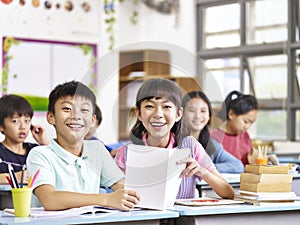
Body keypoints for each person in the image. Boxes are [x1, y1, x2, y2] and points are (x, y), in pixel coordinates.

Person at [26, 80, 139, 211]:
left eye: (84, 110)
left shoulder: (97, 149)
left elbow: (121, 186)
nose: (76, 116)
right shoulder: (40, 154)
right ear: (51, 117)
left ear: (92, 120)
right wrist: (106, 199)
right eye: (67, 109)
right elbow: (50, 200)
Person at [115, 78, 234, 199]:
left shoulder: (191, 146)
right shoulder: (126, 153)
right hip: (143, 217)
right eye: (150, 106)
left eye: (166, 107)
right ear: (139, 113)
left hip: (185, 218)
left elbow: (229, 193)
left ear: (178, 114)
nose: (158, 114)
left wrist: (202, 171)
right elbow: (115, 196)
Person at [181, 91, 244, 174]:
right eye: (192, 110)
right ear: (181, 114)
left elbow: (238, 166)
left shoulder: (213, 145)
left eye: (203, 111)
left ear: (209, 116)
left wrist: (205, 168)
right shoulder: (172, 141)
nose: (197, 116)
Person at [0, 94, 49, 184]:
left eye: (27, 121)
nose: (23, 127)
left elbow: (61, 168)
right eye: (15, 121)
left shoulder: (35, 150)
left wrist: (44, 142)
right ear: (1, 126)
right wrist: (13, 177)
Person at [210, 90, 258, 166]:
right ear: (231, 114)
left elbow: (248, 162)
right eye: (246, 121)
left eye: (251, 123)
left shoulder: (245, 136)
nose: (247, 127)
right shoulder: (214, 137)